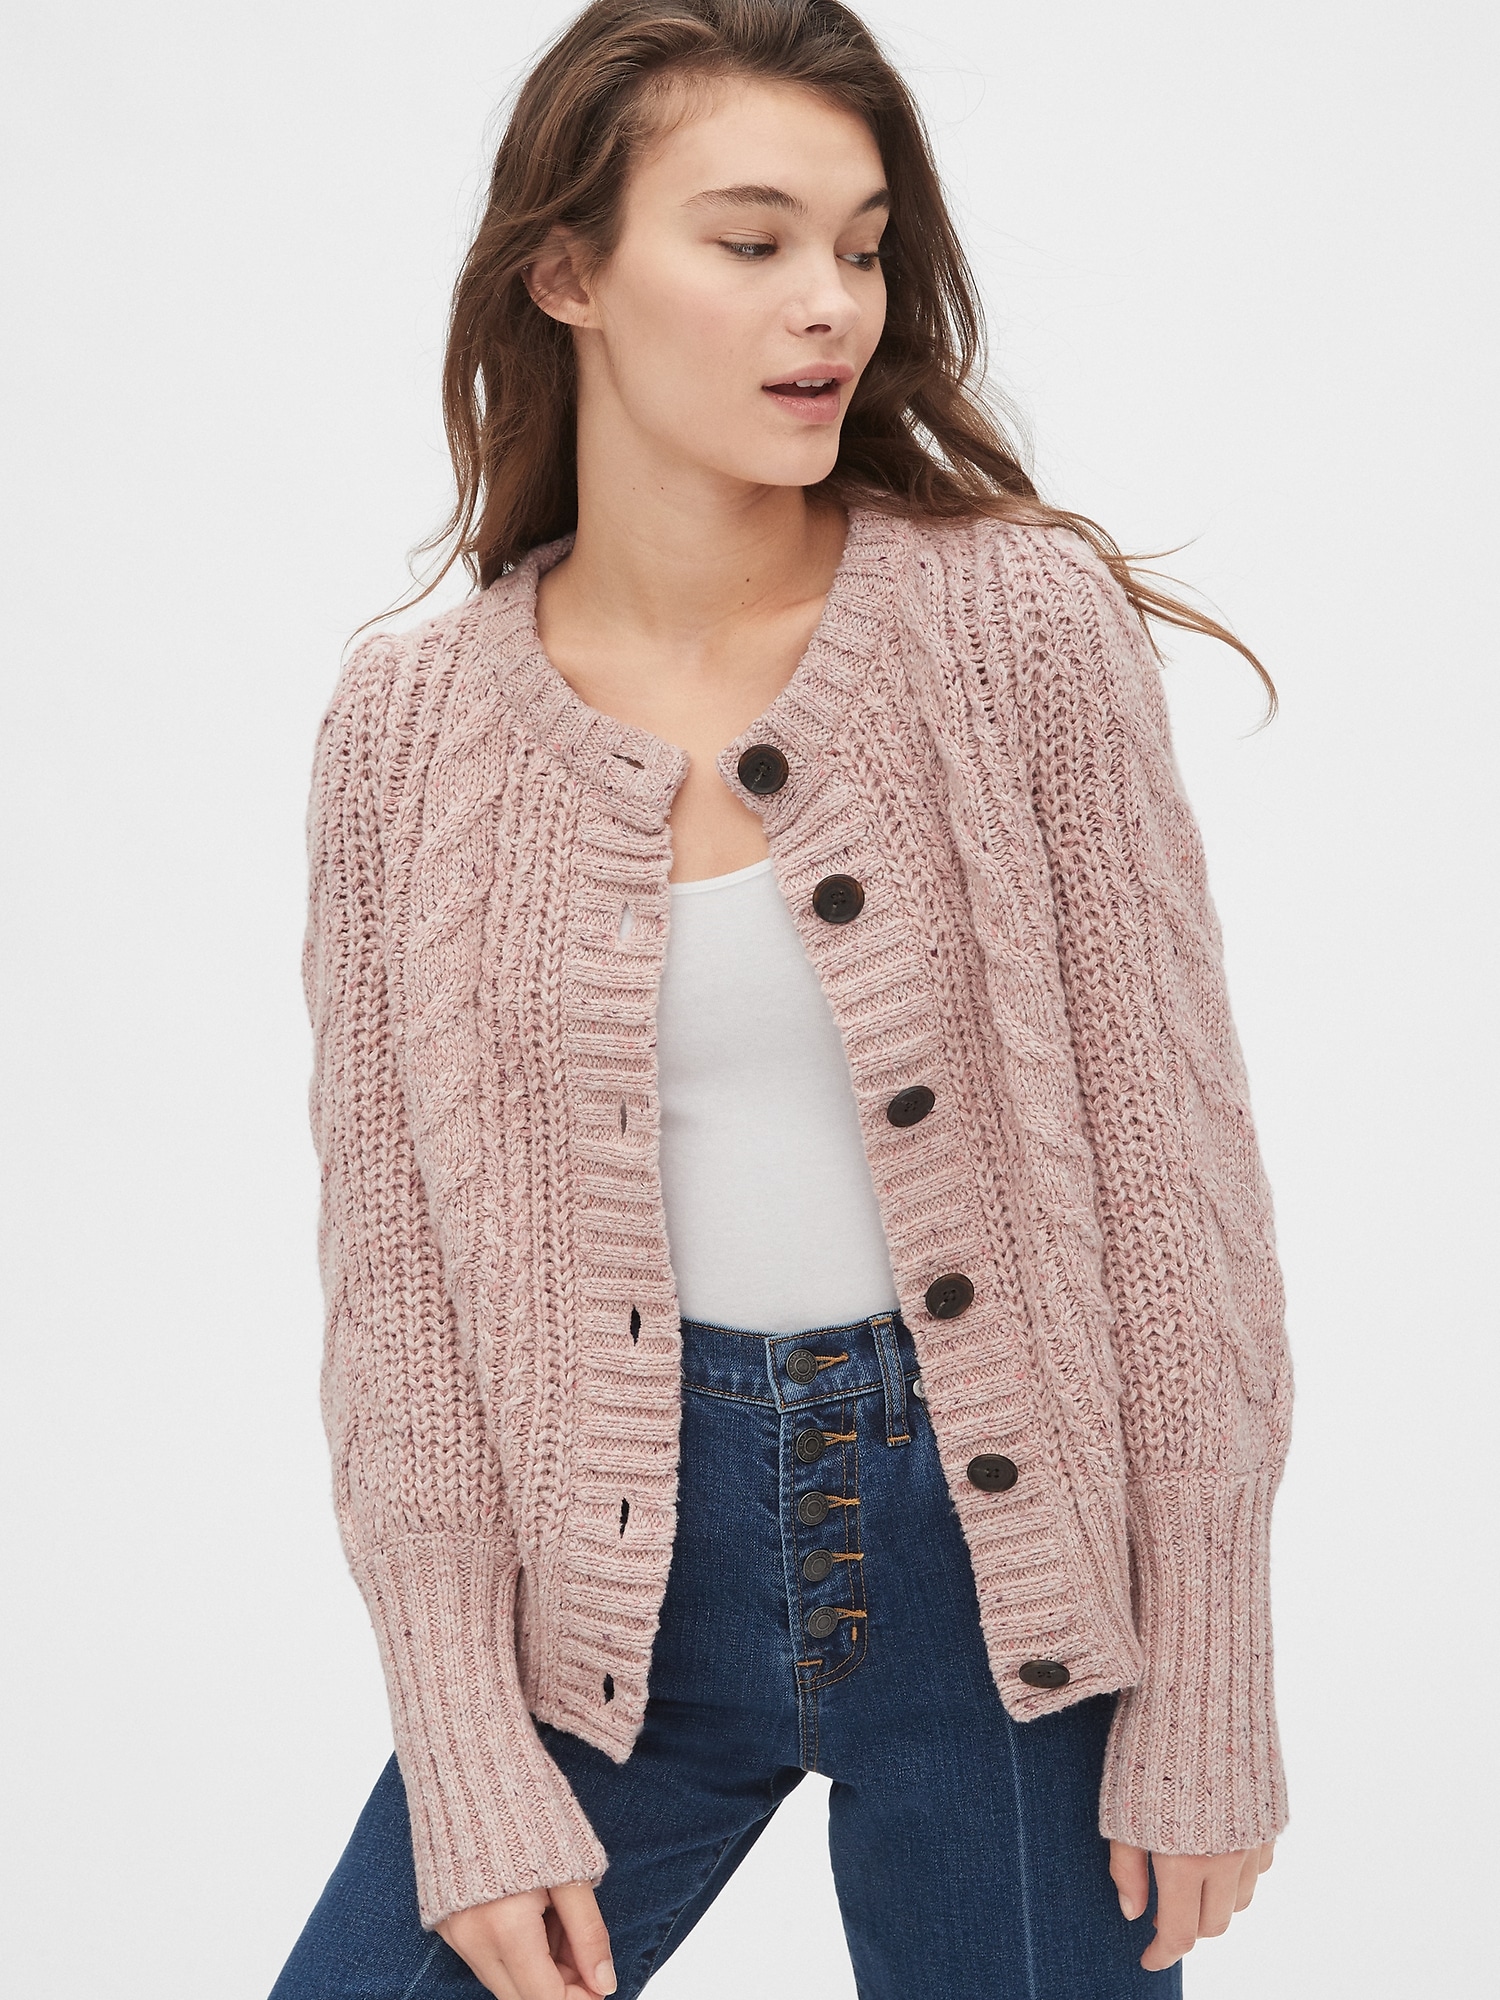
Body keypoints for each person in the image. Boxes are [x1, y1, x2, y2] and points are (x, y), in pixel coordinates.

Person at [270, 3, 1293, 1995]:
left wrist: (1210, 1678)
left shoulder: (1017, 628)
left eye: (862, 244)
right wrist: (463, 1745)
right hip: (606, 1594)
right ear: (567, 273)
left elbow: (1173, 1187)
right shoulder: (407, 729)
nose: (828, 302)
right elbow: (396, 1293)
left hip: (1005, 1578)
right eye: (750, 242)